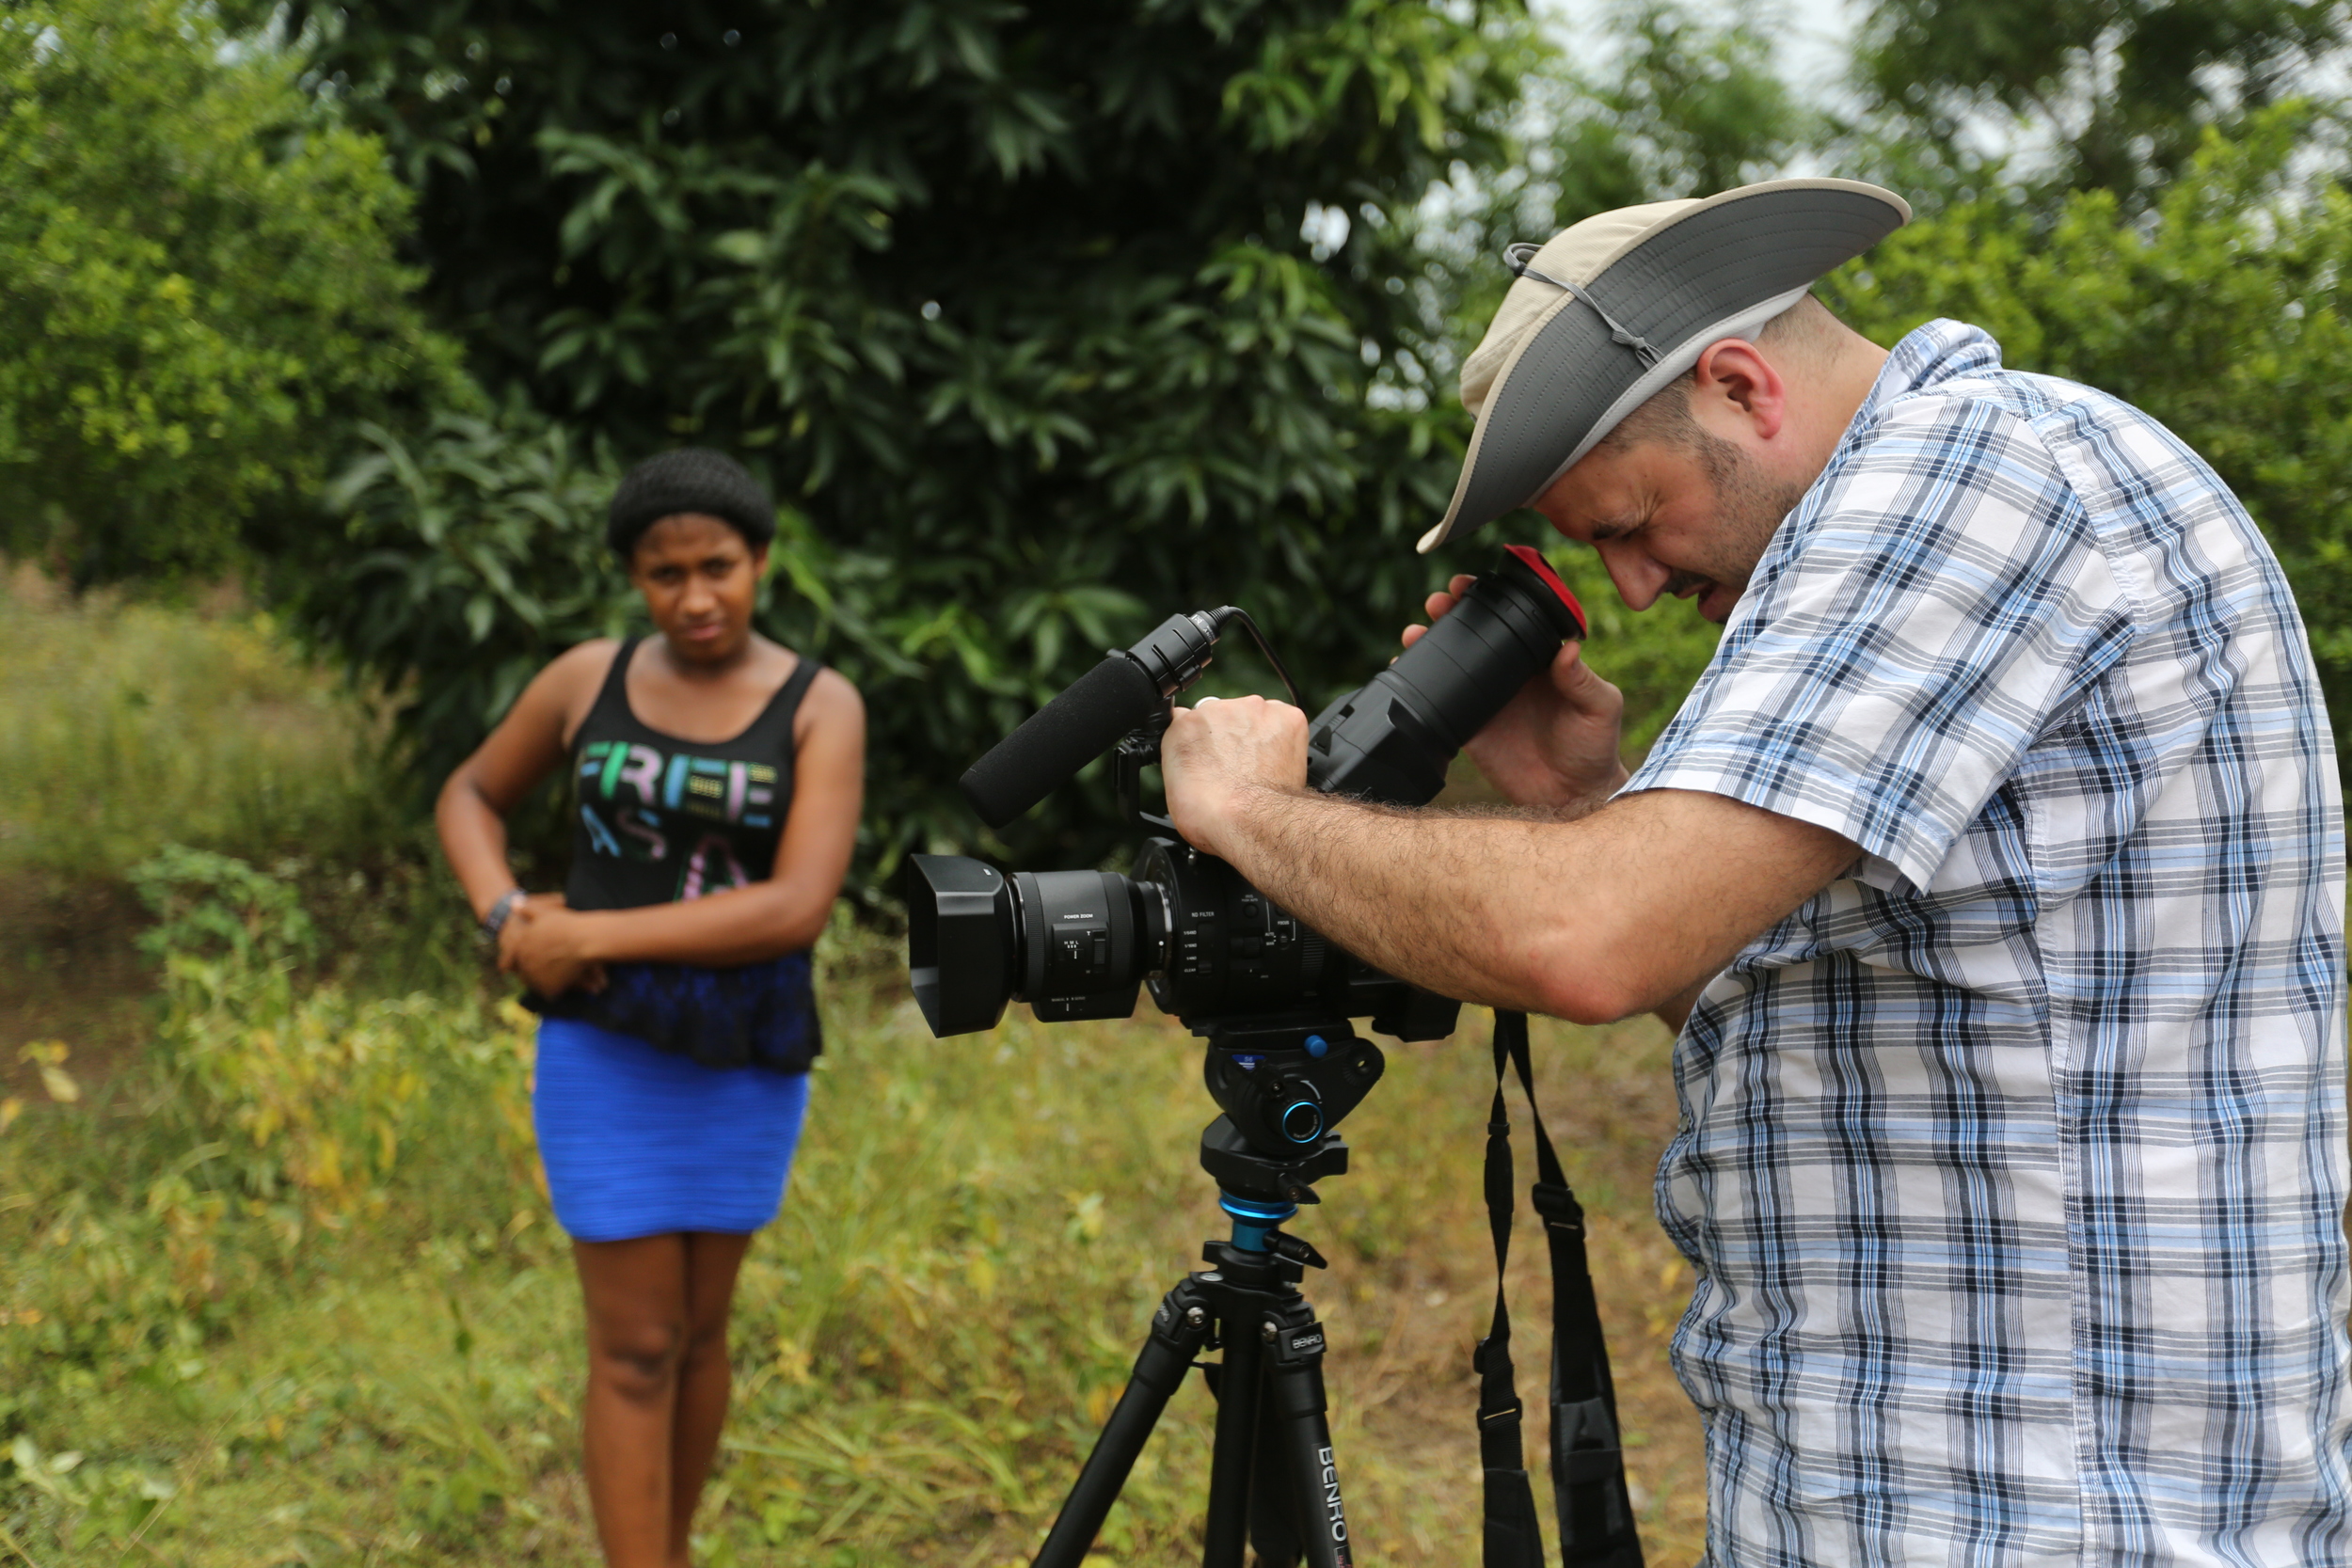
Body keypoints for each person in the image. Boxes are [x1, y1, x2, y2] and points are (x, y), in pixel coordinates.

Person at [1159, 179, 2350, 1564]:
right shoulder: (1887, 537)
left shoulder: (1984, 471)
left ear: (1738, 385)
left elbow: (1588, 943)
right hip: (1926, 1480)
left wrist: (1252, 811)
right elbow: (1788, 1024)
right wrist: (1582, 797)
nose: (1637, 585)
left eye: (1624, 519)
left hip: (2046, 1501)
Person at [435, 449, 865, 1568]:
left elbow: (796, 905)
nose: (695, 595)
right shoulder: (586, 678)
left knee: (701, 1332)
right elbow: (471, 792)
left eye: (718, 566)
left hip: (745, 1046)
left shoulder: (821, 704)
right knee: (633, 1343)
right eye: (663, 573)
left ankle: (662, 1548)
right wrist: (504, 915)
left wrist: (585, 931)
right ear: (634, 577)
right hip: (603, 1046)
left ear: (761, 559)